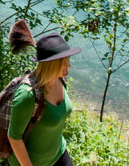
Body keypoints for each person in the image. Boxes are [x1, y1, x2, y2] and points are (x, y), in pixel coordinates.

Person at [6, 22, 81, 166]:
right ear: (51, 64)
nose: (69, 66)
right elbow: (14, 137)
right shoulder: (27, 95)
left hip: (59, 155)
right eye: (64, 63)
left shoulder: (60, 80)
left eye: (68, 61)